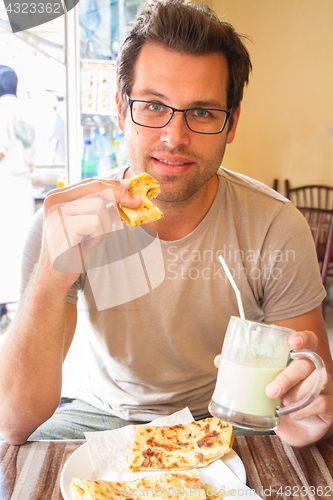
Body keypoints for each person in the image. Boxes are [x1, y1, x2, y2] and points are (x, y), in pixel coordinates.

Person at [0, 0, 332, 448]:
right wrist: (48, 277)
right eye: (154, 106)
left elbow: (310, 390)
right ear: (122, 111)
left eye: (202, 112)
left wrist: (303, 406)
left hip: (222, 418)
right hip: (96, 415)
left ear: (230, 124)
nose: (174, 137)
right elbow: (13, 421)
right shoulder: (63, 223)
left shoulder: (274, 225)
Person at [0, 65, 35, 325]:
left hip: (5, 186)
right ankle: (15, 309)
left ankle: (3, 310)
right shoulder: (26, 113)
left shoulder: (1, 112)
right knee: (18, 249)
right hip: (23, 188)